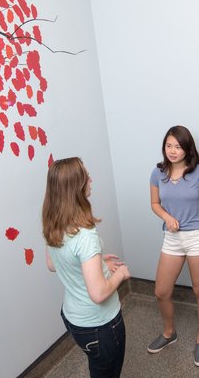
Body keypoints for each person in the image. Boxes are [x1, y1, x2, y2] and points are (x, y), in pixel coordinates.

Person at [43, 157, 132, 378]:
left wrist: (101, 264)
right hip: (99, 326)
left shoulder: (53, 222)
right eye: (86, 176)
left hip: (73, 318)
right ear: (76, 187)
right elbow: (99, 293)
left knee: (98, 369)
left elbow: (53, 264)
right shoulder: (86, 236)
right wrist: (120, 274)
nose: (91, 180)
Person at [146, 126, 199, 366]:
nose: (172, 151)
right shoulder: (158, 173)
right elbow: (155, 203)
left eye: (178, 146)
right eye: (169, 146)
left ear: (188, 149)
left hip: (198, 237)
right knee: (161, 292)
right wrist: (166, 217)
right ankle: (169, 333)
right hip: (172, 238)